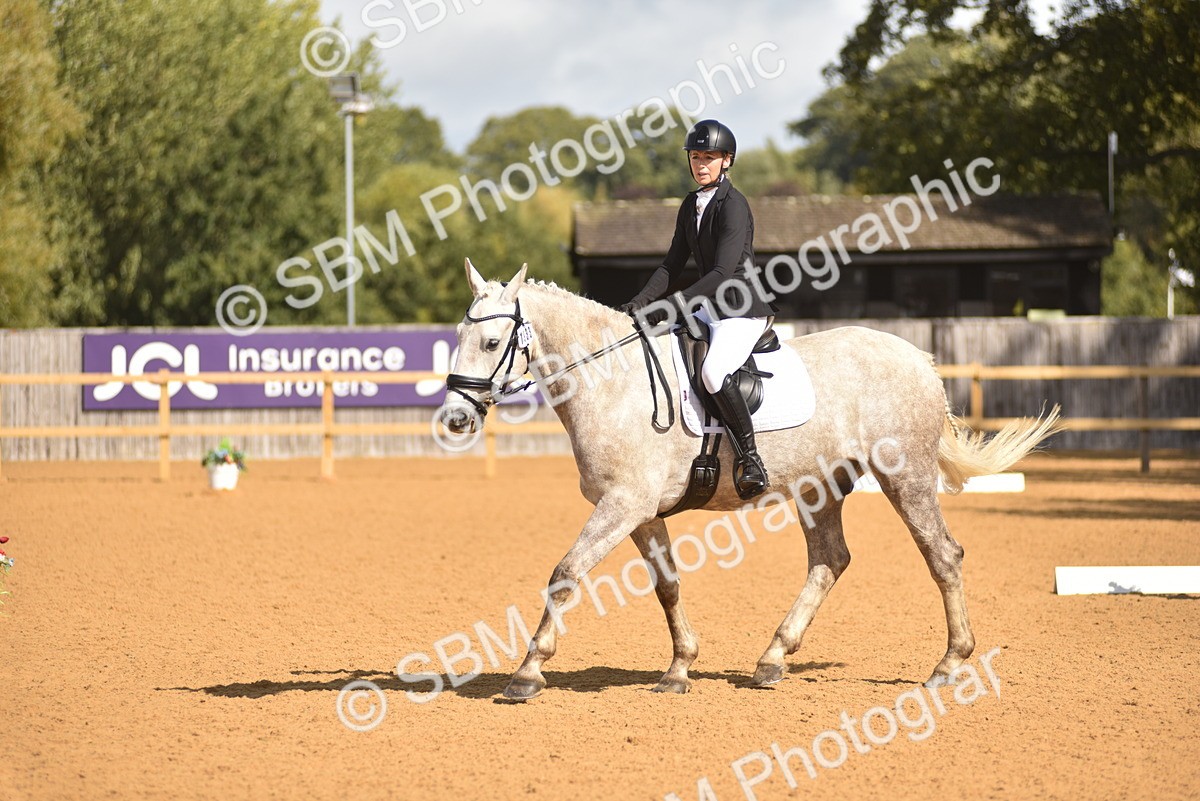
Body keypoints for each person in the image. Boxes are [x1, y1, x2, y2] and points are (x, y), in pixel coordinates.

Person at [617, 119, 776, 499]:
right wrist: (639, 302)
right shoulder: (691, 205)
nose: (701, 164)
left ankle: (751, 459)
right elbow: (671, 265)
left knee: (713, 372)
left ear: (727, 160)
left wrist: (673, 305)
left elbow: (722, 272)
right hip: (710, 307)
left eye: (709, 157)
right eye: (696, 157)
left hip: (741, 309)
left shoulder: (734, 205)